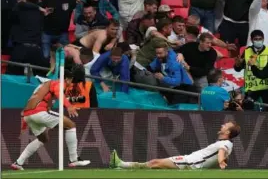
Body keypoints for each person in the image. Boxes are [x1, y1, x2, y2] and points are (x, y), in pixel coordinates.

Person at [11, 65, 90, 170]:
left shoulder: (43, 86)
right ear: (66, 79)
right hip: (38, 113)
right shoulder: (58, 83)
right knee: (71, 125)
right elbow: (58, 93)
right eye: (70, 81)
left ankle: (18, 163)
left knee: (43, 138)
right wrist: (69, 106)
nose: (70, 83)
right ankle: (74, 159)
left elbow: (29, 106)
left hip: (28, 115)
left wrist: (24, 126)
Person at [109, 121, 241, 170]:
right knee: (156, 166)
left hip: (190, 163)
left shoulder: (225, 144)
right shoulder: (227, 143)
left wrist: (221, 162)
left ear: (228, 132)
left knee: (155, 163)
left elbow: (221, 153)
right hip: (190, 161)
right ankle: (122, 167)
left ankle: (120, 164)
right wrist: (222, 161)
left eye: (226, 125)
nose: (222, 125)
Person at [234, 30, 268, 104]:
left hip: (266, 87)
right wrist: (238, 64)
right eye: (256, 39)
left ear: (263, 39)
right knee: (249, 110)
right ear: (251, 40)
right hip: (252, 88)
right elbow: (238, 69)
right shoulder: (247, 51)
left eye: (260, 39)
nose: (258, 41)